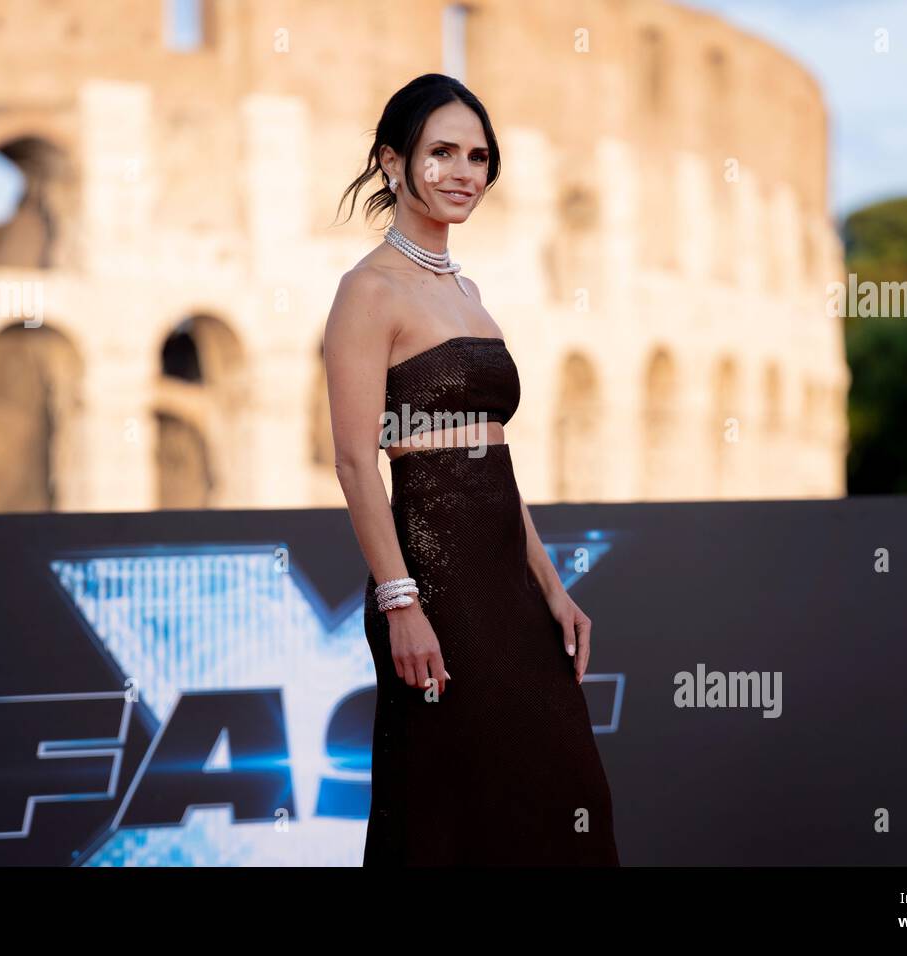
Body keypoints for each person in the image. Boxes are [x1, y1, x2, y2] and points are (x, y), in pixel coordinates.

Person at [323, 73, 620, 866]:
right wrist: (401, 604)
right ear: (393, 162)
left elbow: (492, 461)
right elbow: (356, 461)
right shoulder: (367, 291)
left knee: (567, 798)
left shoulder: (471, 292)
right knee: (451, 810)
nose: (464, 172)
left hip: (511, 593)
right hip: (434, 591)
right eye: (442, 152)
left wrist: (553, 588)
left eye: (479, 156)